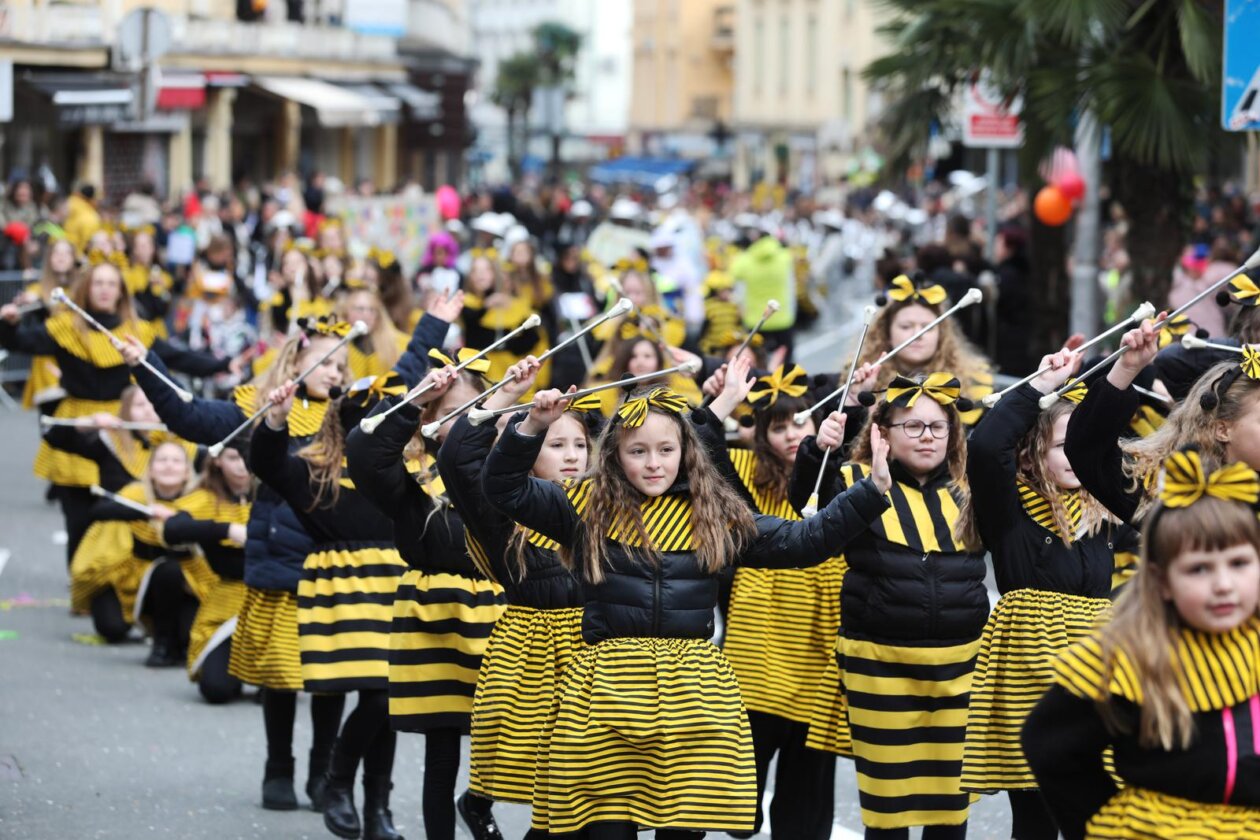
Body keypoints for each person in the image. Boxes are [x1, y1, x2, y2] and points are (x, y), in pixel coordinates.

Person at [481, 363, 894, 839]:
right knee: (604, 828)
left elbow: (804, 542)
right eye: (638, 451)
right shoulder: (585, 507)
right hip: (607, 694)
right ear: (614, 455)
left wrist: (871, 491)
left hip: (693, 696)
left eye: (666, 450)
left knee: (684, 826)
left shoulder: (714, 515)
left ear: (686, 451)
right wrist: (531, 426)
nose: (653, 464)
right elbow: (503, 488)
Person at [790, 373, 989, 838]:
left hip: (958, 668)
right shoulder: (856, 480)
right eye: (913, 426)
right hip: (879, 667)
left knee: (950, 806)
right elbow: (808, 504)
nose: (927, 437)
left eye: (937, 426)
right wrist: (817, 450)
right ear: (883, 433)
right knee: (887, 809)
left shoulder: (971, 488)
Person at [1024, 449, 1260, 839]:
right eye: (1199, 569)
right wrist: (1101, 822)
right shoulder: (1128, 654)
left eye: (1238, 564)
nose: (1223, 584)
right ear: (1161, 580)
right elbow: (1051, 745)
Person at [956, 350, 1133, 839]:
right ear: (1031, 452)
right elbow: (987, 445)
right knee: (1037, 814)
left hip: (1096, 669)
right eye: (1062, 446)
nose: (1076, 455)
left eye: (1082, 446)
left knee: (1097, 810)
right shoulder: (1009, 509)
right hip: (1029, 674)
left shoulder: (1106, 511)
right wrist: (1038, 387)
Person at [346, 358, 507, 840]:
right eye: (450, 412)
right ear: (430, 419)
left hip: (502, 617)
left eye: (475, 410)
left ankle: (477, 803)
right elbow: (365, 454)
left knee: (510, 733)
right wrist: (411, 402)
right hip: (435, 618)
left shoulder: (505, 470)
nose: (464, 421)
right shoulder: (414, 479)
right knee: (442, 753)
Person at [438, 355, 593, 839]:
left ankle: (479, 802)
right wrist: (509, 396)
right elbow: (458, 462)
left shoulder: (603, 505)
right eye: (556, 444)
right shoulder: (504, 513)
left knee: (583, 791)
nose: (572, 456)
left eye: (580, 445)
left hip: (594, 654)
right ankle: (477, 801)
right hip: (533, 655)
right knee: (548, 786)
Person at [251, 376, 408, 840]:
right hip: (343, 595)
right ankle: (338, 778)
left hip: (397, 592)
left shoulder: (404, 473)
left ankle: (376, 807)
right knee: (380, 694)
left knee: (389, 701)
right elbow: (267, 463)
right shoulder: (315, 473)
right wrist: (276, 419)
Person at [0, 262, 233, 566]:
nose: (105, 290)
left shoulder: (137, 331)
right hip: (80, 425)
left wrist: (222, 365)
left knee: (125, 513)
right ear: (86, 288)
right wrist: (9, 324)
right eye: (98, 283)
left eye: (111, 284)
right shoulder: (64, 327)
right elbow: (20, 342)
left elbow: (178, 358)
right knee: (78, 518)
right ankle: (84, 580)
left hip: (126, 425)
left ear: (121, 292)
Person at [714, 364, 844, 838]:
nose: (791, 434)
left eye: (801, 422)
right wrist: (722, 399)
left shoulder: (841, 479)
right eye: (779, 425)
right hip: (756, 656)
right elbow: (700, 448)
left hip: (819, 655)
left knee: (804, 816)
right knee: (736, 809)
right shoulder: (747, 476)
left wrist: (853, 398)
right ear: (761, 433)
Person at [164, 442, 254, 704]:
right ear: (217, 461)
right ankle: (164, 643)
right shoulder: (206, 497)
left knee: (278, 688)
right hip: (227, 594)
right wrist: (226, 530)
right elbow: (172, 529)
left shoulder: (272, 493)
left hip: (273, 596)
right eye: (233, 458)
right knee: (215, 689)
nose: (242, 466)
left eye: (246, 458)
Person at [853, 273, 993, 424]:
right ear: (886, 333)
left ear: (941, 334)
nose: (917, 334)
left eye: (928, 327)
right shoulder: (856, 381)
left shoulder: (973, 386)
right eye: (906, 326)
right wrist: (854, 403)